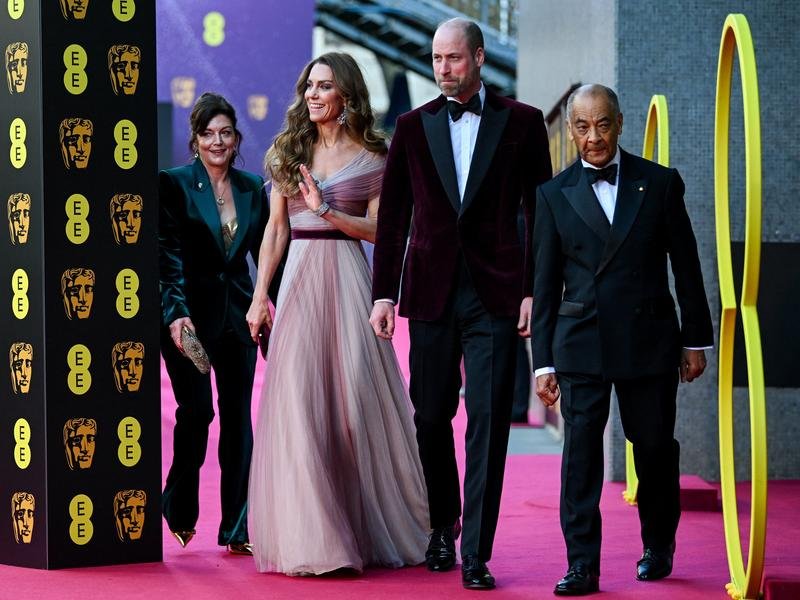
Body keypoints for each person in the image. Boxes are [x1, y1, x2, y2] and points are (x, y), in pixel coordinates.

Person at [370, 18, 552, 590]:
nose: (443, 69)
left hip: (496, 293)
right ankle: (442, 526)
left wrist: (532, 289)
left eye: (453, 58)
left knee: (490, 421)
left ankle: (476, 549)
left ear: (477, 57)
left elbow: (538, 212)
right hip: (429, 291)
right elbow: (394, 215)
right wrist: (383, 292)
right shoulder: (411, 126)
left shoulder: (522, 123)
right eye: (435, 59)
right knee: (430, 415)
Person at [246, 52, 429, 576]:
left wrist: (328, 210)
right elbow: (277, 230)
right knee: (300, 407)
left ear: (346, 95)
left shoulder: (375, 157)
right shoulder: (289, 150)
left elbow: (383, 232)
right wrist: (261, 295)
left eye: (324, 86)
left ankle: (368, 525)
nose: (312, 94)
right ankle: (316, 540)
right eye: (308, 85)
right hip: (300, 277)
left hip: (349, 278)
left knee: (352, 406)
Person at [531, 84, 713, 596]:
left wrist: (695, 339)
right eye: (583, 127)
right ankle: (581, 564)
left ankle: (658, 544)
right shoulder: (552, 194)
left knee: (653, 447)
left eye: (602, 125)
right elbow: (543, 287)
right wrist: (542, 361)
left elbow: (686, 264)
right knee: (582, 457)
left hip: (648, 340)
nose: (593, 138)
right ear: (570, 131)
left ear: (620, 122)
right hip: (580, 344)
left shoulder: (659, 184)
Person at [159, 92, 278, 555]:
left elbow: (266, 258)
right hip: (187, 321)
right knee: (197, 412)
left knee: (237, 420)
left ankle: (237, 527)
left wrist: (272, 303)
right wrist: (174, 314)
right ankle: (180, 507)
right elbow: (165, 256)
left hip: (238, 321)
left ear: (236, 138)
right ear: (195, 139)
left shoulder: (252, 188)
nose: (217, 141)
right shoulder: (174, 183)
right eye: (208, 133)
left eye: (225, 133)